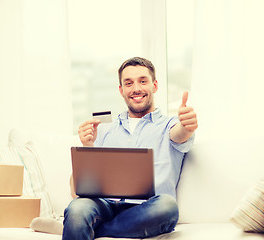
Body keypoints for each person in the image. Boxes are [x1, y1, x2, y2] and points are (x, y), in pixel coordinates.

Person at [62, 57, 198, 240]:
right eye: (128, 83)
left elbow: (180, 133)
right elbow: (75, 193)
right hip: (106, 206)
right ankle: (102, 226)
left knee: (167, 206)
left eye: (143, 81)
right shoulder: (104, 129)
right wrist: (87, 147)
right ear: (121, 90)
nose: (136, 89)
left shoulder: (170, 125)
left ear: (154, 86)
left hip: (149, 208)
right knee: (77, 209)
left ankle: (97, 230)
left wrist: (187, 126)